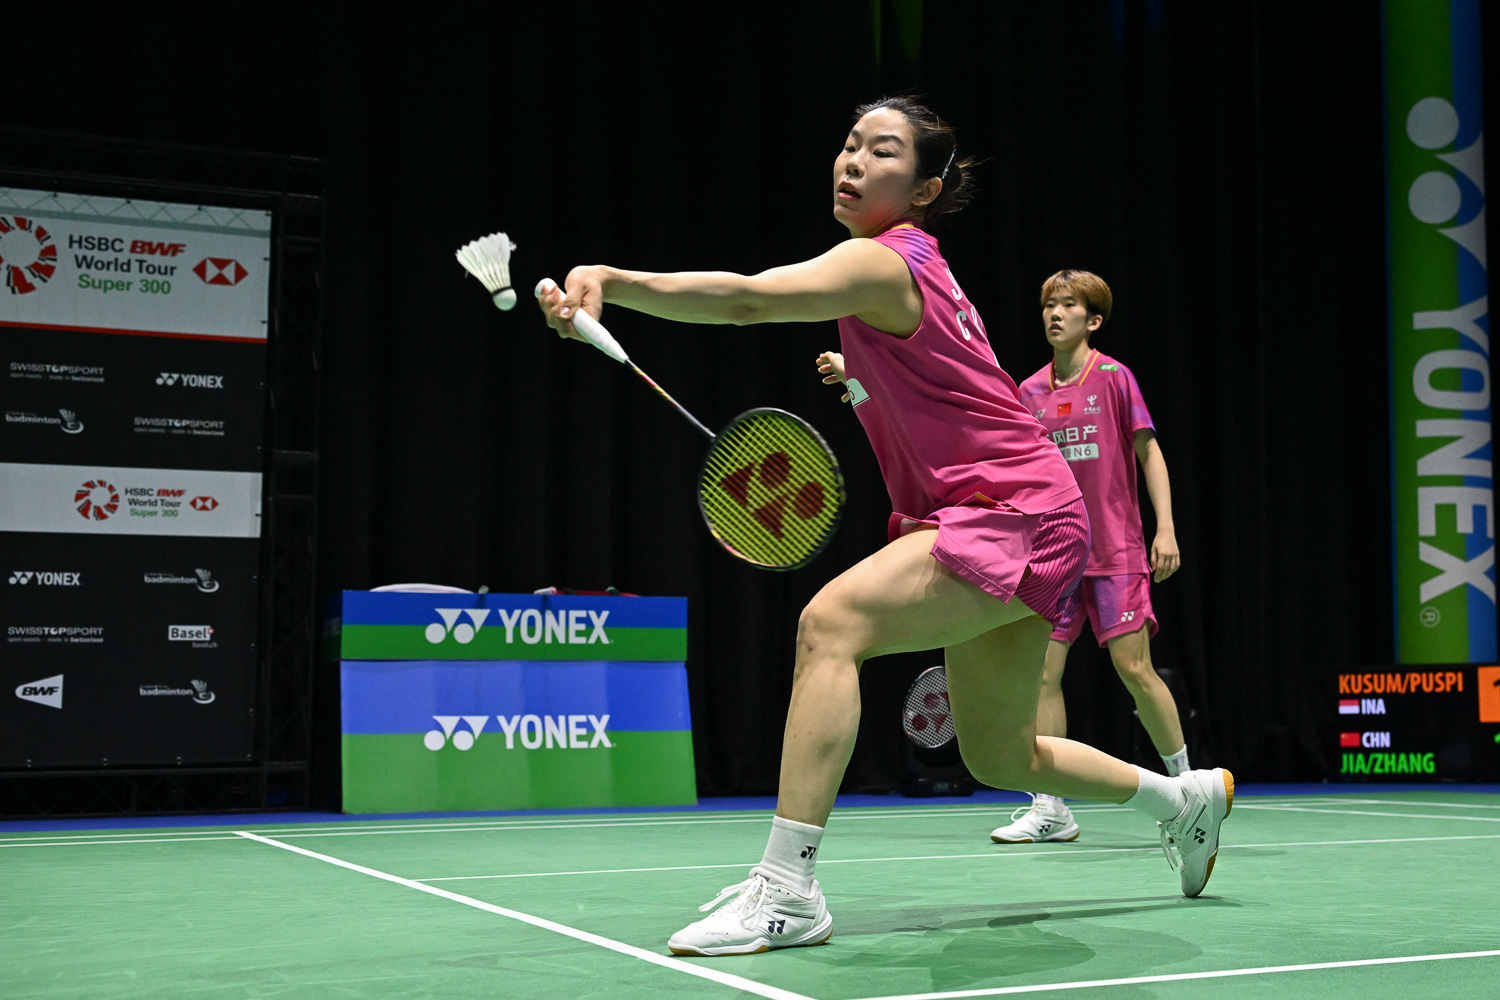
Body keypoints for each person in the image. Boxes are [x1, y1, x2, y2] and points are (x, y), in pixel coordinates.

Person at [537, 96, 1232, 959]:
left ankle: (788, 890)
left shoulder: (883, 261)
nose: (854, 160)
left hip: (1014, 514)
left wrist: (614, 281)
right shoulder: (910, 271)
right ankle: (1184, 800)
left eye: (883, 151)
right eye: (850, 143)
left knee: (830, 625)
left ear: (925, 188)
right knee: (1003, 757)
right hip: (1031, 515)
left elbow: (748, 301)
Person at [987, 272, 1189, 844]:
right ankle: (1051, 808)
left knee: (1134, 668)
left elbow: (1150, 453)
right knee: (1042, 675)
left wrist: (1166, 528)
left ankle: (1187, 787)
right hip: (1056, 555)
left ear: (1093, 320)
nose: (1054, 314)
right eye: (1048, 304)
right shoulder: (1028, 391)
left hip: (1115, 550)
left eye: (1068, 305)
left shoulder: (1114, 378)